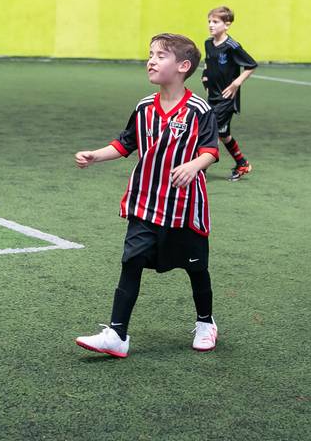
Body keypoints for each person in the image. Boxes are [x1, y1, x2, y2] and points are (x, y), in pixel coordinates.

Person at [74, 33, 220, 358]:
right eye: (150, 54)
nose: (151, 61)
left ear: (183, 66)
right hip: (145, 203)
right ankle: (117, 334)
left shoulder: (198, 109)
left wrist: (193, 165)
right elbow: (125, 143)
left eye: (160, 56)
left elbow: (210, 150)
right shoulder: (143, 107)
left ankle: (205, 322)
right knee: (132, 261)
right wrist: (96, 155)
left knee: (196, 267)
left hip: (184, 208)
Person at [202, 6, 258, 181]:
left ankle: (200, 169)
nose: (211, 25)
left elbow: (251, 65)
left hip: (227, 98)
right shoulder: (208, 43)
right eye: (209, 21)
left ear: (227, 25)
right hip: (213, 96)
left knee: (208, 132)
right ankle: (242, 163)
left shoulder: (232, 46)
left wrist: (236, 83)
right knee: (223, 133)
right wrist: (205, 76)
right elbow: (208, 64)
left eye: (215, 22)